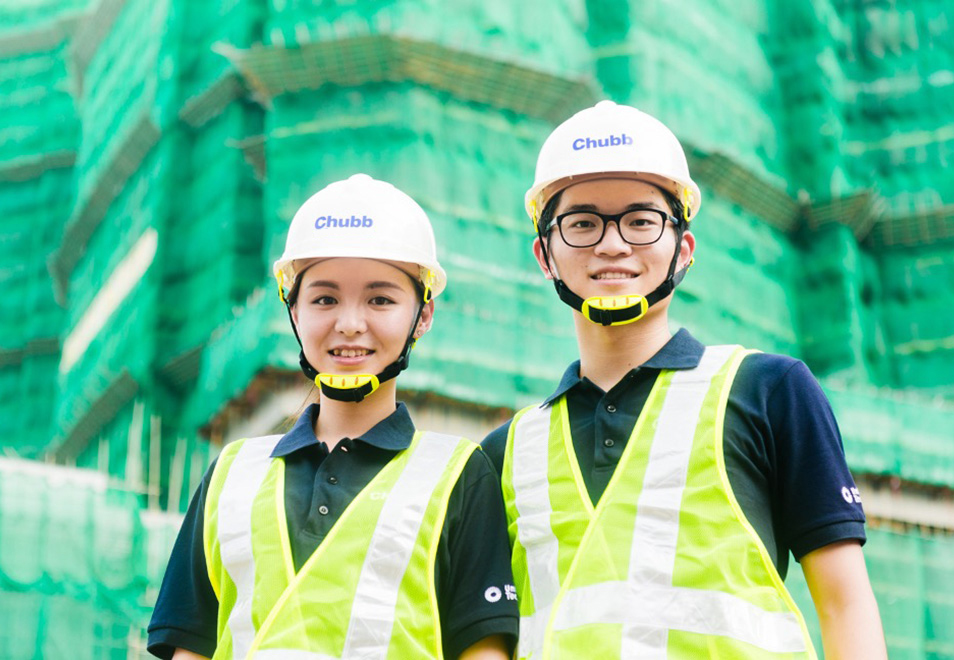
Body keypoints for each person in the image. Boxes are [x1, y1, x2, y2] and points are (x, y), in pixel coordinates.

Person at [482, 101, 886, 659]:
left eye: (641, 220)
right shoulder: (502, 454)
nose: (613, 244)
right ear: (544, 255)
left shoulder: (769, 391)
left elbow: (845, 604)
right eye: (581, 223)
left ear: (684, 248)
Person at [148, 174, 518, 659]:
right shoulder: (230, 474)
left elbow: (483, 651)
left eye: (380, 299)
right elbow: (189, 648)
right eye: (324, 298)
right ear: (294, 311)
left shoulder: (460, 475)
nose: (349, 323)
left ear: (422, 316)